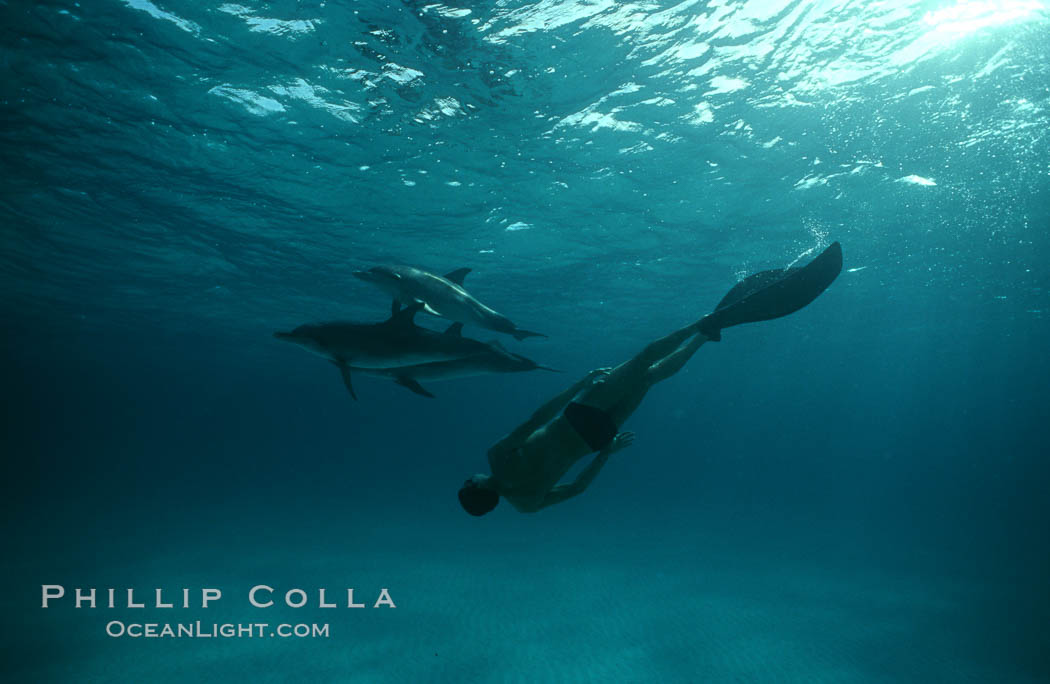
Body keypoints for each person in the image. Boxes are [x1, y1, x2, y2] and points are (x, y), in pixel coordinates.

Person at [458, 242, 843, 515]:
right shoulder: (495, 458)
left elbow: (577, 488)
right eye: (467, 482)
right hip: (579, 413)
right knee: (645, 359)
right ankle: (702, 323)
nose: (468, 477)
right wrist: (578, 385)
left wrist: (606, 455)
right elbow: (536, 420)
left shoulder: (525, 504)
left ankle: (706, 335)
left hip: (597, 437)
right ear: (475, 487)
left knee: (653, 377)